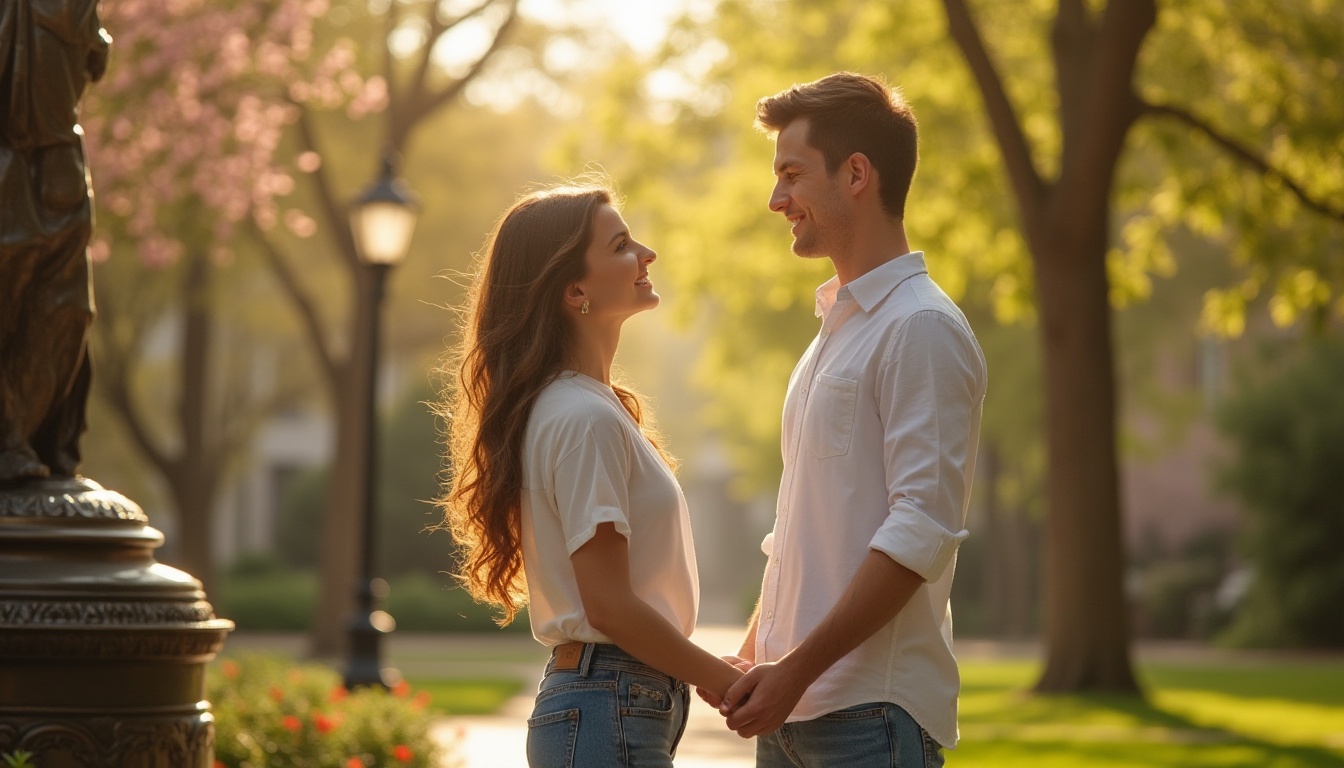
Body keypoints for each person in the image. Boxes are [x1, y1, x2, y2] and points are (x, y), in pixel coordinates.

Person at [712, 72, 988, 767]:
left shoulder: (920, 328)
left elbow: (920, 530)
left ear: (857, 174)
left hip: (869, 721)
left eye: (792, 175)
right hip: (793, 714)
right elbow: (805, 527)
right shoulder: (836, 331)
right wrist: (757, 656)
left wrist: (796, 669)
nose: (777, 200)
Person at [438, 181, 744, 767]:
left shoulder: (587, 407)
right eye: (623, 245)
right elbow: (607, 605)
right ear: (574, 288)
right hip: (609, 701)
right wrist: (725, 683)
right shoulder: (582, 417)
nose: (647, 254)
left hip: (616, 700)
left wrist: (699, 668)